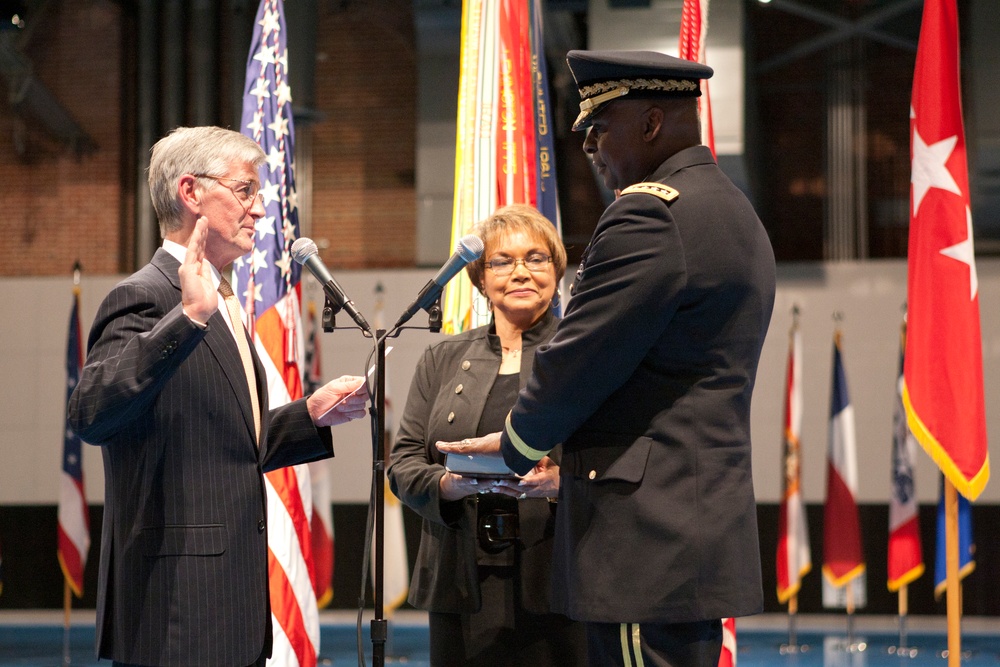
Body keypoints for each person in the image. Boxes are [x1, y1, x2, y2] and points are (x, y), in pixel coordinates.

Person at [438, 50, 777, 667]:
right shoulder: (733, 211)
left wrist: (516, 444)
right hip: (692, 516)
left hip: (643, 533)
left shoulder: (650, 214)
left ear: (651, 123)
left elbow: (579, 357)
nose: (590, 145)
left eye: (600, 125)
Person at [67, 126, 369, 667]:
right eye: (245, 190)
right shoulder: (144, 295)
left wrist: (309, 415)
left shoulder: (223, 301)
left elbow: (226, 446)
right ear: (191, 192)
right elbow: (91, 414)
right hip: (174, 609)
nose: (261, 209)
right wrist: (186, 319)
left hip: (232, 607)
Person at [388, 204, 587, 666]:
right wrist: (446, 485)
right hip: (458, 582)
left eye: (535, 258)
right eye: (502, 261)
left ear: (556, 271)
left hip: (562, 577)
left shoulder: (584, 354)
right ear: (480, 279)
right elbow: (402, 464)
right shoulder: (441, 359)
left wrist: (562, 482)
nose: (520, 272)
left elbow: (618, 459)